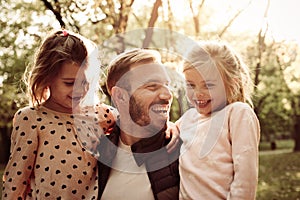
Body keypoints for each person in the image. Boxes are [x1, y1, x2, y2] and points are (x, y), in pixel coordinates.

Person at [1, 29, 118, 199]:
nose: (79, 90)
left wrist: (170, 127)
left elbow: (136, 124)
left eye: (84, 82)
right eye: (69, 83)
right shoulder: (31, 118)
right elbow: (16, 181)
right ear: (47, 78)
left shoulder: (100, 115)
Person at [177, 40, 260, 199]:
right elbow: (163, 131)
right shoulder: (187, 119)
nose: (198, 93)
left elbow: (245, 180)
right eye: (191, 85)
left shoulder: (237, 114)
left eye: (208, 85)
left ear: (232, 83)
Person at [98, 48, 181, 200]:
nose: (168, 95)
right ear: (120, 96)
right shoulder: (96, 151)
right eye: (152, 86)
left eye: (166, 85)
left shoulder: (181, 150)